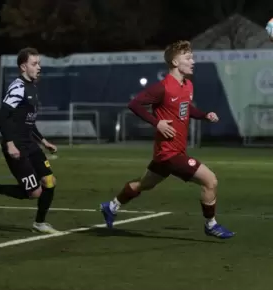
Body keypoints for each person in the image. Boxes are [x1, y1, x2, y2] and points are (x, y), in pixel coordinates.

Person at [100, 40, 234, 239]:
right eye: (188, 58)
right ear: (174, 62)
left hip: (174, 151)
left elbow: (186, 109)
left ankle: (111, 206)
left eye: (192, 57)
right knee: (210, 180)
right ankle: (211, 224)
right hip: (169, 152)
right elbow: (135, 104)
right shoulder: (162, 88)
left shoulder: (188, 85)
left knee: (144, 184)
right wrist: (158, 123)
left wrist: (204, 115)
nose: (193, 61)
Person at [0, 47, 59, 234]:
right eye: (35, 64)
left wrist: (44, 141)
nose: (39, 67)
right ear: (23, 67)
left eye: (39, 63)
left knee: (49, 181)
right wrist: (9, 144)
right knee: (34, 192)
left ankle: (39, 223)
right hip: (16, 145)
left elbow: (29, 122)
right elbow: (1, 117)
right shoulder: (18, 88)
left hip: (30, 144)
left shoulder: (32, 87)